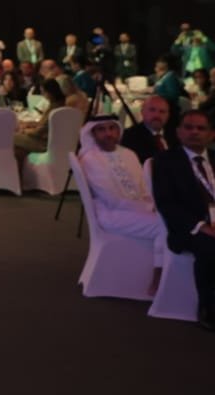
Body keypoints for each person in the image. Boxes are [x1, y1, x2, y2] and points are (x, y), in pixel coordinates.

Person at [149, 110, 215, 330]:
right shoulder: (166, 161)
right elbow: (166, 203)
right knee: (210, 246)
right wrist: (202, 226)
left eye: (201, 128)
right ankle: (208, 307)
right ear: (178, 132)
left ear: (211, 134)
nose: (194, 132)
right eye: (188, 127)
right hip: (188, 229)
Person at [77, 115, 165, 280]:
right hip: (111, 214)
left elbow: (144, 187)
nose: (108, 134)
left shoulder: (129, 154)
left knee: (173, 220)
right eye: (101, 130)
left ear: (118, 130)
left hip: (137, 210)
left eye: (112, 128)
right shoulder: (90, 159)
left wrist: (153, 205)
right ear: (92, 133)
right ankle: (157, 279)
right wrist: (148, 209)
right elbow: (110, 198)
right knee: (166, 227)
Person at [122, 95, 174, 163]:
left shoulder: (175, 135)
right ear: (142, 112)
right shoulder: (129, 137)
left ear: (168, 115)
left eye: (162, 111)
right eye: (152, 110)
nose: (157, 115)